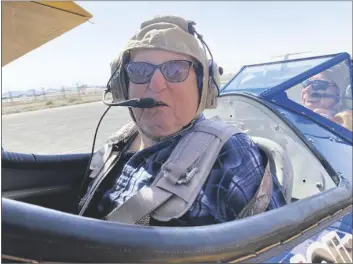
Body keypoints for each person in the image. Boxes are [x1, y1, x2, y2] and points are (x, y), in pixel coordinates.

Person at [78, 15, 286, 226]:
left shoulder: (230, 153)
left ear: (203, 86)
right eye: (140, 71)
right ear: (122, 86)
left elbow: (276, 244)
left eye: (176, 70)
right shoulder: (118, 143)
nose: (156, 85)